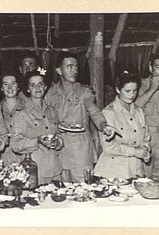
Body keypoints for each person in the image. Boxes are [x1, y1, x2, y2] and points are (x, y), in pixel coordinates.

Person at [44, 52, 114, 183]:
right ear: (59, 70)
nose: (74, 70)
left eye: (76, 66)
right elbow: (47, 117)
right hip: (60, 150)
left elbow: (93, 110)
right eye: (69, 66)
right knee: (62, 192)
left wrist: (104, 125)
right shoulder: (50, 93)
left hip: (81, 152)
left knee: (83, 191)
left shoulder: (84, 91)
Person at [10, 69, 64, 185]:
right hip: (35, 170)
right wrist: (37, 140)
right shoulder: (22, 113)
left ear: (45, 87)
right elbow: (15, 144)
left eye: (40, 84)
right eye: (33, 85)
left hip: (55, 169)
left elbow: (59, 135)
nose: (37, 88)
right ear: (28, 89)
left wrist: (57, 142)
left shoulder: (51, 111)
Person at [94, 72, 151, 179]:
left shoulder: (139, 112)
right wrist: (135, 151)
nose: (132, 95)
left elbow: (146, 138)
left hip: (136, 171)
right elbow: (108, 147)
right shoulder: (108, 113)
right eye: (127, 91)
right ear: (118, 90)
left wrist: (145, 150)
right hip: (114, 172)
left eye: (135, 91)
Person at [0, 72, 26, 165]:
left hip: (24, 156)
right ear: (1, 88)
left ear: (18, 87)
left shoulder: (28, 107)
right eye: (6, 84)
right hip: (3, 157)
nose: (10, 87)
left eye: (13, 83)